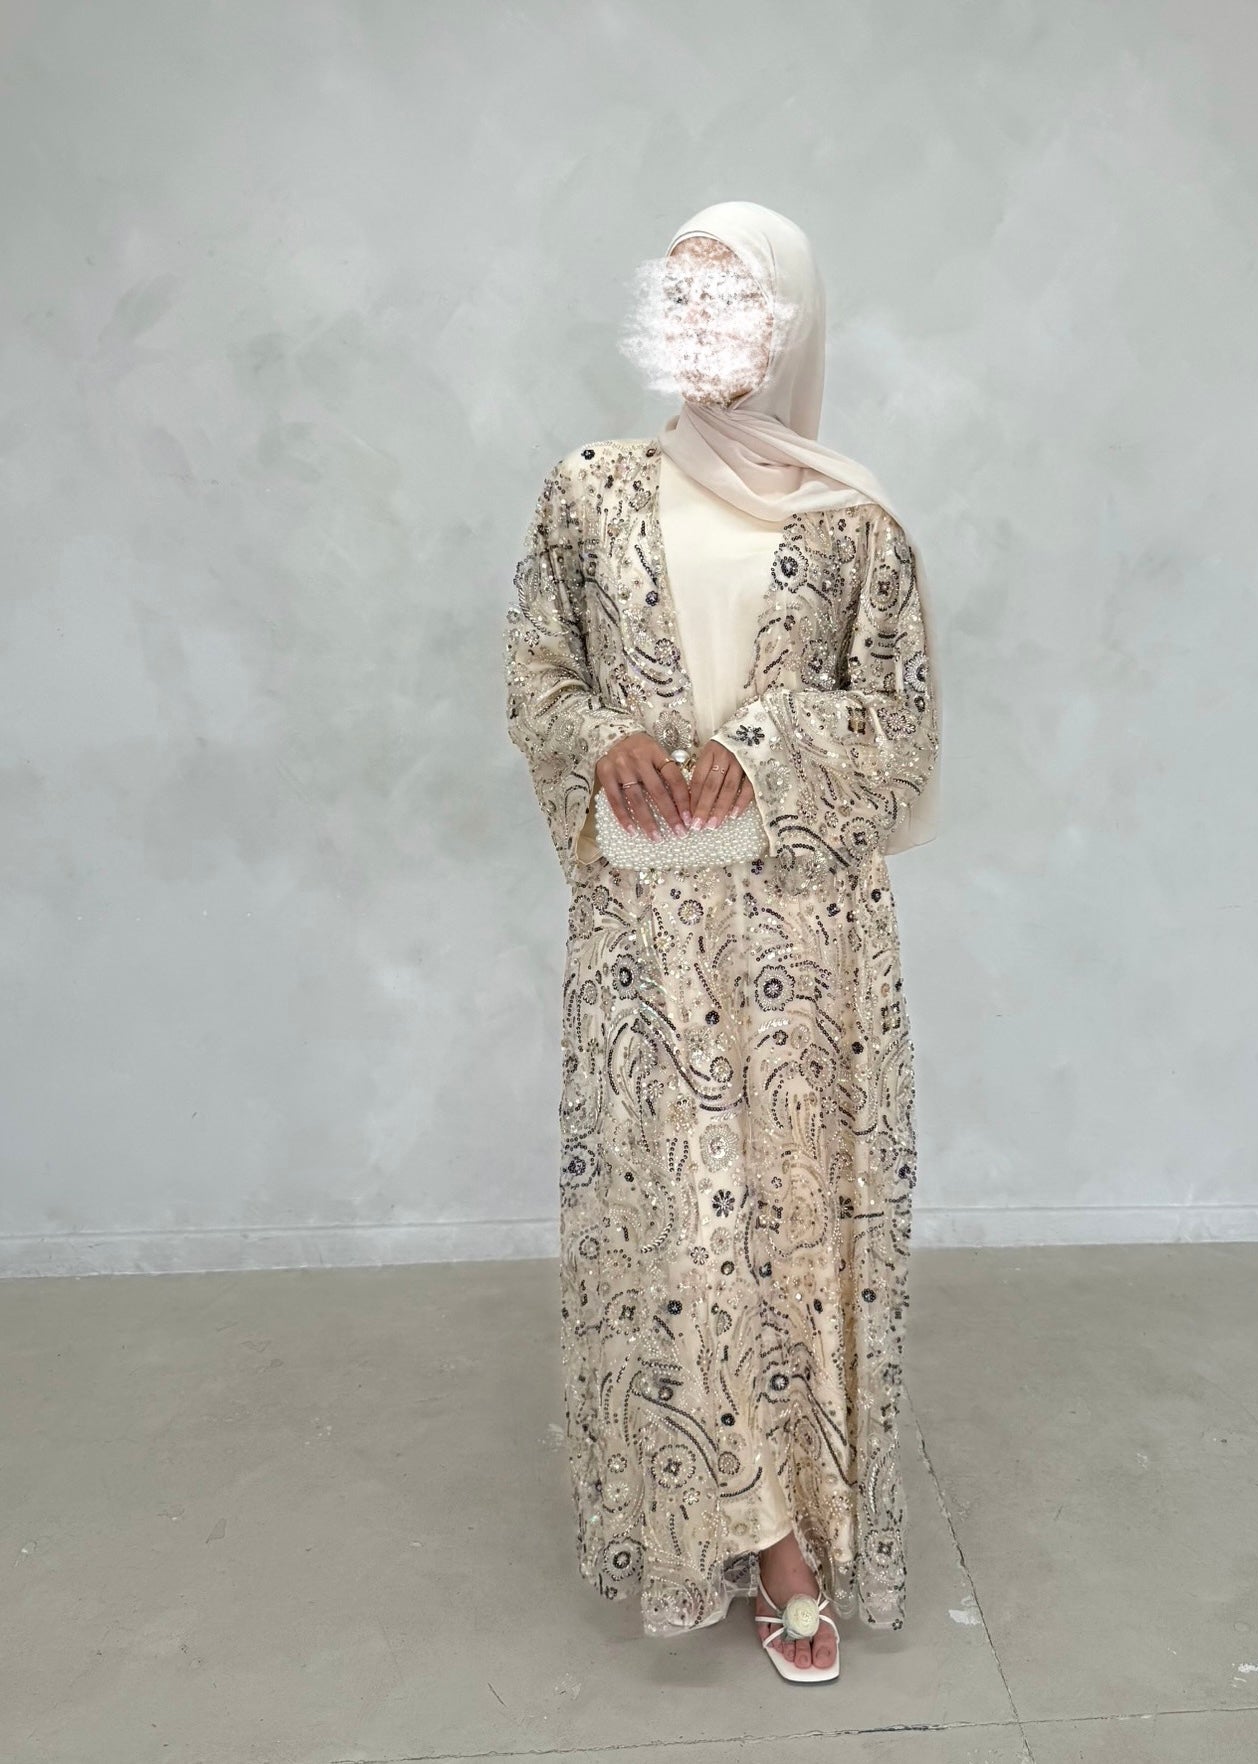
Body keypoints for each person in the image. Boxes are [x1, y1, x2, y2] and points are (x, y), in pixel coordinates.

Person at [504, 200, 941, 1683]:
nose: (705, 331)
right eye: (681, 301)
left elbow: (897, 728)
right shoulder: (589, 492)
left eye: (737, 303)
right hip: (647, 927)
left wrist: (756, 746)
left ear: (792, 324)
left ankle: (794, 1519)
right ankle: (741, 1533)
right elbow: (537, 675)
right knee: (677, 1221)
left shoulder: (853, 521)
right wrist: (604, 737)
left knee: (792, 1225)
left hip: (807, 936)